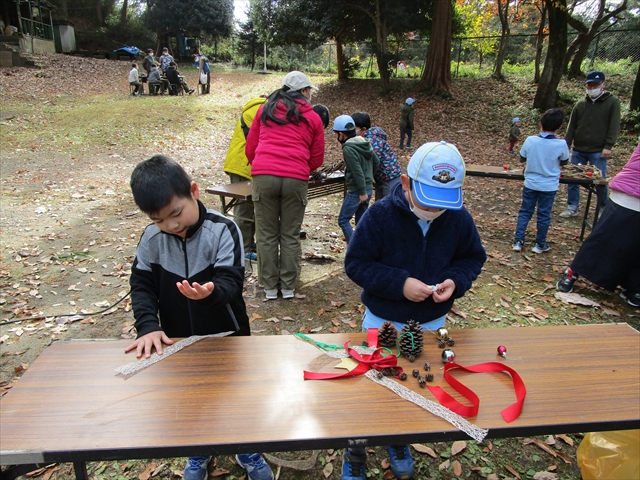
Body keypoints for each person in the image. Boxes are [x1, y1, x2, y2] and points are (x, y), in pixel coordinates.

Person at [343, 141, 486, 480]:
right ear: (405, 183)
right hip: (380, 320)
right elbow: (356, 263)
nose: (434, 211)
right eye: (427, 202)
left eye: (443, 204)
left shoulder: (458, 218)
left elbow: (472, 258)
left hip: (431, 324)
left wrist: (455, 280)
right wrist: (400, 283)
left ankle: (398, 437)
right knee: (370, 388)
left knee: (412, 386)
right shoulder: (379, 216)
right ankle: (356, 450)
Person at [127, 155, 274, 480]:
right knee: (190, 398)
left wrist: (211, 293)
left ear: (193, 191)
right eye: (159, 220)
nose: (171, 225)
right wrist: (148, 326)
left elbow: (231, 281)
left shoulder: (223, 230)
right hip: (178, 339)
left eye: (176, 213)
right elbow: (140, 285)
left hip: (228, 337)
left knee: (236, 395)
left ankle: (245, 446)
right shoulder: (151, 240)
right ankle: (199, 449)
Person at [245, 71, 325, 300]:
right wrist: (299, 168)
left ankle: (270, 288)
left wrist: (262, 165)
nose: (310, 94)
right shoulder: (313, 117)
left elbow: (251, 148)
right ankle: (288, 287)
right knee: (289, 235)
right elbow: (317, 158)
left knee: (266, 234)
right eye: (309, 90)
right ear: (302, 91)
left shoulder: (265, 111)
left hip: (263, 176)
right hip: (295, 179)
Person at [557, 143, 640, 307]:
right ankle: (572, 273)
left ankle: (633, 287)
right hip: (628, 196)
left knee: (636, 248)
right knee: (602, 239)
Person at [560, 70, 621, 218]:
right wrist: (566, 145)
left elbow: (614, 125)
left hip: (598, 150)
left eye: (595, 85)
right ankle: (572, 206)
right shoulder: (580, 104)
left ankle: (602, 207)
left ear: (603, 84)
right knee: (572, 178)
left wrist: (608, 146)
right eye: (590, 85)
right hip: (579, 148)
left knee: (600, 180)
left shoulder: (612, 103)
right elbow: (572, 126)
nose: (592, 88)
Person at [512, 109, 570, 254]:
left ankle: (518, 241)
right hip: (549, 185)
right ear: (559, 127)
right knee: (544, 214)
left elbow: (522, 158)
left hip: (531, 182)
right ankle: (539, 244)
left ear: (540, 123)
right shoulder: (561, 144)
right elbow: (564, 162)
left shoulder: (530, 140)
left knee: (525, 211)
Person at [224, 97, 268, 261]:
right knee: (244, 209)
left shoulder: (260, 108)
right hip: (243, 165)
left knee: (254, 205)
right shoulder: (260, 110)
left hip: (248, 164)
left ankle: (249, 242)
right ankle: (244, 248)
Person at [332, 114, 379, 244]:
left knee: (343, 220)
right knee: (361, 222)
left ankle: (355, 250)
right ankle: (365, 250)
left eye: (335, 134)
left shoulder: (348, 148)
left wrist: (362, 192)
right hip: (367, 188)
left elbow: (357, 171)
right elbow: (376, 161)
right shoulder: (364, 142)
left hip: (358, 191)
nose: (335, 137)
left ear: (341, 134)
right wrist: (369, 178)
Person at [351, 111, 402, 200]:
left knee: (390, 208)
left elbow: (371, 161)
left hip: (390, 179)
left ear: (364, 129)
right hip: (381, 180)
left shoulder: (372, 140)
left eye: (354, 129)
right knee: (380, 208)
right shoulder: (366, 139)